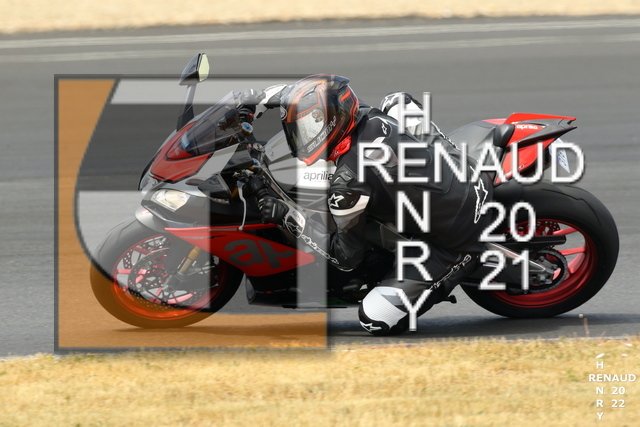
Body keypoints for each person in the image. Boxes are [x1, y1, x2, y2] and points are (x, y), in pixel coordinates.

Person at [239, 74, 492, 336]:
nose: (302, 136)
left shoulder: (349, 183)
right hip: (459, 169)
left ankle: (467, 259)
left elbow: (345, 257)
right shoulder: (364, 115)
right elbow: (294, 95)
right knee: (397, 102)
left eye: (309, 127)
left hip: (460, 230)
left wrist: (287, 216)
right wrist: (251, 98)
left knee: (376, 318)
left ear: (331, 121)